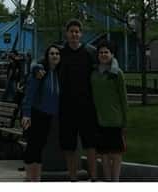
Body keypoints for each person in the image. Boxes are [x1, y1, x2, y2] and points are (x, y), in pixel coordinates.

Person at [57, 19, 99, 181]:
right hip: (66, 107)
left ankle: (93, 176)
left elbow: (106, 62)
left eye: (77, 31)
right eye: (71, 31)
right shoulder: (60, 53)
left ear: (81, 34)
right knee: (69, 146)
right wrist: (37, 67)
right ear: (66, 34)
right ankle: (72, 177)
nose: (74, 34)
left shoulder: (90, 52)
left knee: (90, 143)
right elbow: (42, 62)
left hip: (87, 106)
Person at [21, 44, 62, 182]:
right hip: (36, 113)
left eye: (57, 53)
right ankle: (29, 177)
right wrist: (26, 114)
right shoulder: (40, 73)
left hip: (49, 116)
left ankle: (36, 178)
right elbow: (30, 93)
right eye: (52, 53)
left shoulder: (59, 73)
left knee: (39, 147)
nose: (55, 56)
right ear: (47, 56)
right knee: (33, 146)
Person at [91, 41, 128, 182]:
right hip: (99, 120)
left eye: (106, 52)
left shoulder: (117, 74)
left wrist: (125, 121)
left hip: (115, 120)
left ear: (112, 55)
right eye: (101, 52)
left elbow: (123, 98)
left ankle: (115, 181)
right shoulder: (94, 74)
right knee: (103, 154)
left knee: (116, 154)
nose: (103, 55)